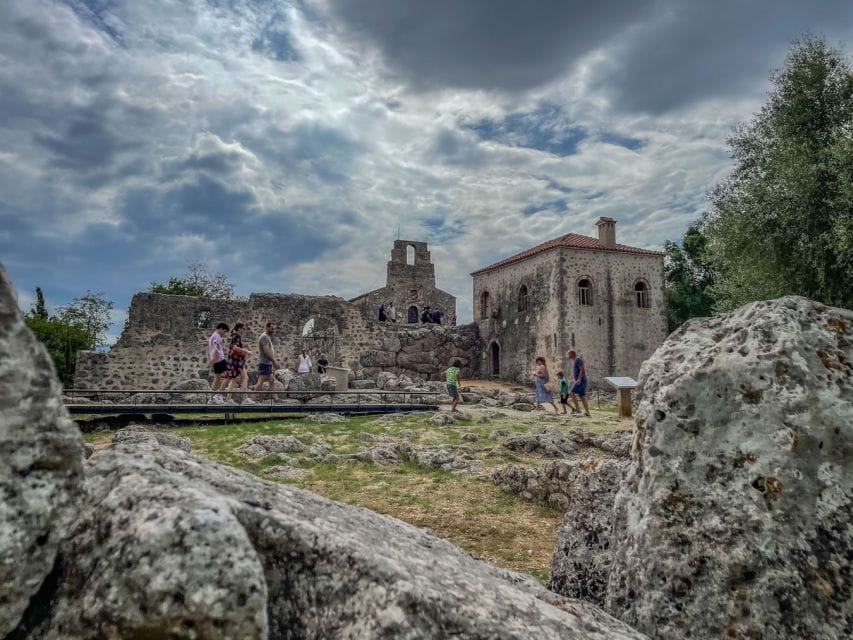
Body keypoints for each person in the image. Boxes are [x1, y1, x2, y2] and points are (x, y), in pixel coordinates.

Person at [224, 322, 255, 404]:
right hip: (237, 362)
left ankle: (228, 399)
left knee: (234, 379)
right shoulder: (237, 336)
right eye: (243, 328)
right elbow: (235, 348)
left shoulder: (235, 336)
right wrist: (246, 351)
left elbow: (234, 349)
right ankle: (245, 399)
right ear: (239, 328)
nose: (244, 330)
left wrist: (244, 353)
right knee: (245, 378)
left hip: (235, 361)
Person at [253, 322, 279, 401]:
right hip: (264, 363)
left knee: (272, 380)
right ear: (267, 327)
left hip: (267, 363)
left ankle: (274, 397)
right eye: (272, 328)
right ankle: (254, 398)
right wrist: (274, 361)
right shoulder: (264, 337)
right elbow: (266, 351)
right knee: (261, 380)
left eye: (274, 329)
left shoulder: (267, 337)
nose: (273, 330)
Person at [207, 322, 229, 405]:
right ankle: (218, 395)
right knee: (230, 375)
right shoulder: (217, 336)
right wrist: (212, 358)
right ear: (221, 329)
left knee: (217, 379)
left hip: (216, 361)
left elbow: (213, 348)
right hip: (220, 359)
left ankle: (212, 398)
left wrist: (212, 359)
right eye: (224, 331)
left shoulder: (212, 336)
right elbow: (215, 348)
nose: (224, 334)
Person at [567, 350, 591, 417]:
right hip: (579, 381)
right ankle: (583, 411)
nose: (568, 356)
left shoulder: (578, 359)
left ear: (572, 354)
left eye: (568, 354)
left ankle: (581, 410)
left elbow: (582, 369)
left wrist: (579, 379)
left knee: (578, 395)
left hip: (582, 381)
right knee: (579, 395)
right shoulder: (575, 360)